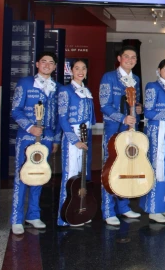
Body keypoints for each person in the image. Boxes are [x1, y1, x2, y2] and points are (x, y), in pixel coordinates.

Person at [10, 52, 61, 235]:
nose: (47, 65)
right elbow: (15, 110)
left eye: (51, 62)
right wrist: (30, 127)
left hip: (47, 137)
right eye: (44, 61)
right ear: (37, 64)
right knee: (22, 175)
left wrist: (55, 139)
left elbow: (58, 117)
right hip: (27, 137)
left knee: (40, 174)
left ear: (55, 67)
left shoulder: (58, 88)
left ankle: (33, 214)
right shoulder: (25, 83)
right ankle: (16, 218)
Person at [99, 46, 143, 226]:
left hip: (130, 132)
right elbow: (104, 105)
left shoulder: (136, 80)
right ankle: (108, 210)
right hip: (113, 130)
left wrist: (137, 110)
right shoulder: (109, 77)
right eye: (127, 56)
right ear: (119, 58)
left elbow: (135, 105)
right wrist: (122, 118)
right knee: (110, 168)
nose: (130, 60)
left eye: (133, 57)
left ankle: (123, 206)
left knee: (127, 167)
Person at [139, 59, 165, 223]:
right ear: (159, 70)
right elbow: (148, 113)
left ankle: (163, 206)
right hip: (156, 132)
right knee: (156, 168)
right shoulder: (152, 86)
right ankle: (152, 208)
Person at [57, 59, 95, 227]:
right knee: (71, 173)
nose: (81, 71)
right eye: (77, 68)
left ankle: (82, 209)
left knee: (83, 173)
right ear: (71, 71)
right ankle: (65, 215)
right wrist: (75, 140)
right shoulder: (66, 91)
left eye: (84, 68)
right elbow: (62, 119)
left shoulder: (86, 90)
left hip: (86, 133)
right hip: (73, 135)